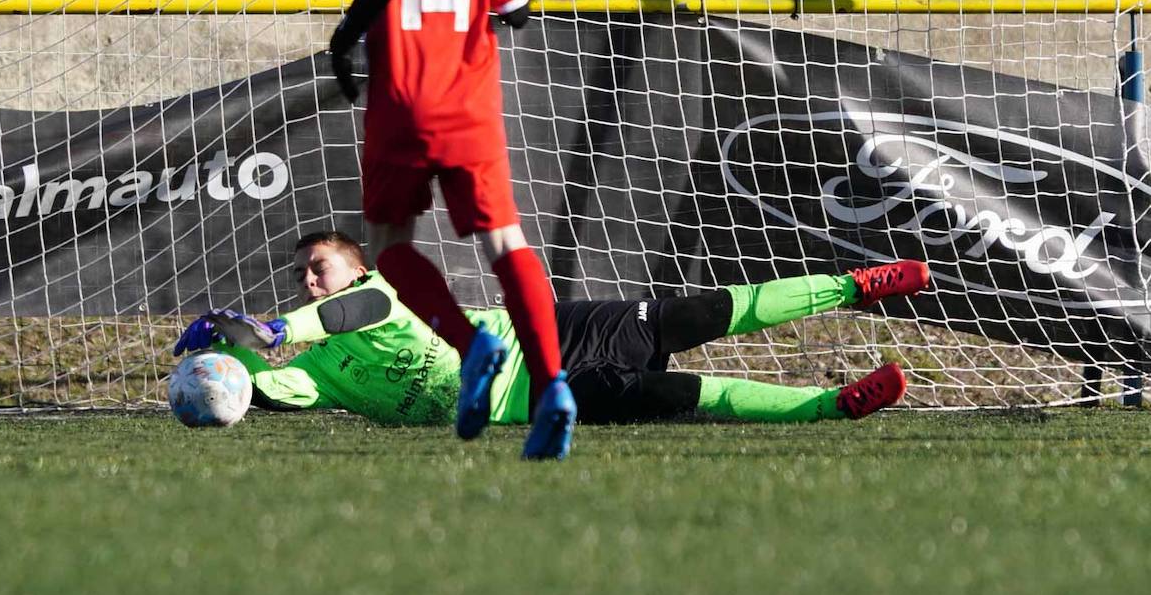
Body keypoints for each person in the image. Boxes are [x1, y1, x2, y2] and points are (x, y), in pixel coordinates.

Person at [327, 0, 574, 458]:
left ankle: (472, 346)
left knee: (386, 247)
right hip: (470, 108)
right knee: (505, 244)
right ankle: (552, 382)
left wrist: (343, 45)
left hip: (403, 106)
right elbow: (518, 8)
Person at [174, 231, 932, 428]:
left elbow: (343, 314)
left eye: (322, 267)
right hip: (532, 398)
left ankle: (855, 287)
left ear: (356, 269)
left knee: (701, 312)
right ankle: (835, 404)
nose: (312, 280)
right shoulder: (325, 370)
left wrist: (272, 327)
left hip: (552, 331)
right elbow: (263, 387)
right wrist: (216, 366)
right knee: (683, 393)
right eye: (303, 273)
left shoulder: (382, 296)